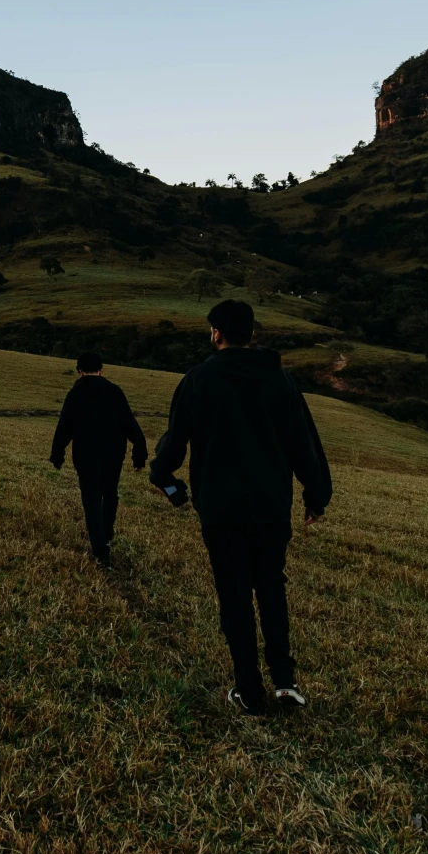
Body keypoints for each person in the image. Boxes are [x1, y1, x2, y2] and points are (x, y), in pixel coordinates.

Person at [149, 299, 332, 715]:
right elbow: (304, 443)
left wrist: (165, 479)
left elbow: (175, 441)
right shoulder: (281, 381)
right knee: (271, 587)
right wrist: (316, 495)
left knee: (233, 594)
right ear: (253, 334)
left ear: (216, 333)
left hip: (221, 507)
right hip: (270, 506)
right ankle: (285, 682)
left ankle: (249, 689)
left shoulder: (198, 379)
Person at [49, 351, 147, 566]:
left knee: (91, 501)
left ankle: (100, 549)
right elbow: (130, 424)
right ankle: (108, 528)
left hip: (85, 457)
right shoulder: (115, 391)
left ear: (79, 371)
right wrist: (139, 454)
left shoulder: (75, 394)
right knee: (110, 493)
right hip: (113, 456)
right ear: (102, 370)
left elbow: (64, 427)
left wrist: (57, 454)